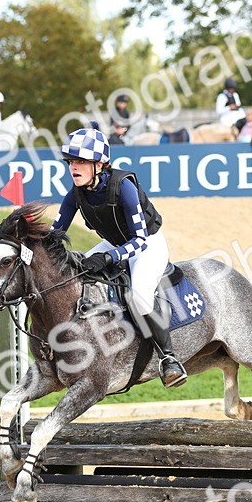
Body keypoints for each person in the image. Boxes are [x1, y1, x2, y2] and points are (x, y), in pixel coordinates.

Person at [53, 122, 187, 388]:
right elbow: (54, 235)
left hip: (147, 245)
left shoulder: (124, 186)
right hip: (114, 243)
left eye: (80, 161)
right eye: (70, 162)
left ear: (100, 164)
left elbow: (139, 240)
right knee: (78, 273)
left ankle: (169, 359)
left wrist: (109, 257)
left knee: (139, 296)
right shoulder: (76, 194)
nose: (73, 168)